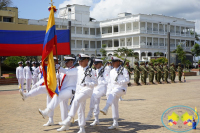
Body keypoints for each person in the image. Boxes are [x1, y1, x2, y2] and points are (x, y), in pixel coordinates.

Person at [58, 54, 97, 133]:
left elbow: (96, 83)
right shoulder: (78, 69)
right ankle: (82, 128)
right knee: (80, 109)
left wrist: (87, 84)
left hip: (87, 90)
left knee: (76, 100)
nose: (79, 62)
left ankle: (69, 118)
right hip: (79, 91)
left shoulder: (91, 70)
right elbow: (67, 72)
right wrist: (59, 67)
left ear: (86, 61)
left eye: (81, 61)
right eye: (79, 61)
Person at [38, 56, 77, 131]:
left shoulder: (75, 70)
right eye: (65, 62)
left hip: (71, 90)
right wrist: (58, 76)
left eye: (67, 62)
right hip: (64, 90)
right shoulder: (65, 70)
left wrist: (60, 68)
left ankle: (47, 111)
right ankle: (65, 125)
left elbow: (67, 73)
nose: (65, 64)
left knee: (58, 96)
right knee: (63, 108)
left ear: (71, 62)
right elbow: (62, 75)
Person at [100, 56, 129, 130]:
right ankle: (115, 122)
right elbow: (109, 83)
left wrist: (119, 82)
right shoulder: (112, 71)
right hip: (113, 89)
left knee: (113, 94)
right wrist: (108, 92)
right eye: (112, 62)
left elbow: (127, 80)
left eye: (114, 62)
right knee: (114, 104)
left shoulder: (123, 70)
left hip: (121, 88)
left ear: (118, 62)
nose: (112, 63)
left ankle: (106, 108)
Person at [85, 59, 109, 126]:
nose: (95, 65)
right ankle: (96, 119)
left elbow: (107, 81)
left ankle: (90, 113)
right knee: (96, 103)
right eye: (94, 64)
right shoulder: (95, 71)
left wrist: (99, 82)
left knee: (93, 96)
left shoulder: (105, 71)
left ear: (101, 63)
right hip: (96, 89)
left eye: (96, 64)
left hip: (102, 89)